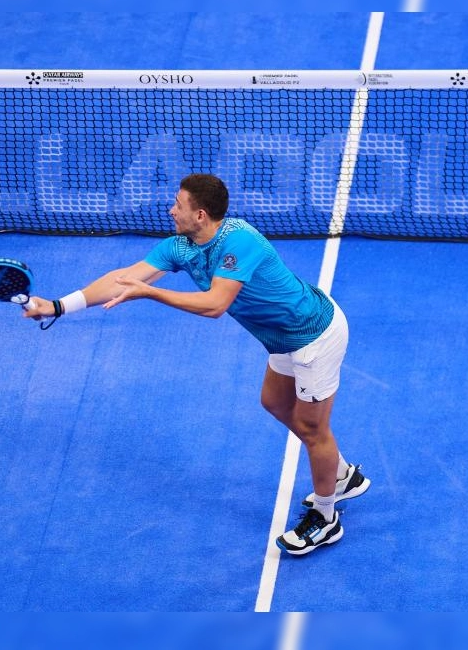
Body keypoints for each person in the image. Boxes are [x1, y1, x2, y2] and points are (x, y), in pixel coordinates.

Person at [23, 174, 369, 556]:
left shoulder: (240, 242)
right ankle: (339, 472)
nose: (171, 210)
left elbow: (215, 305)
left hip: (314, 336)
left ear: (200, 215)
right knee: (273, 402)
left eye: (178, 205)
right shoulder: (182, 247)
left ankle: (326, 516)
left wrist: (152, 293)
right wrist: (56, 305)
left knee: (311, 427)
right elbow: (122, 279)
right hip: (281, 339)